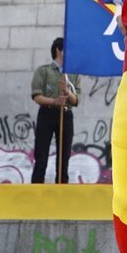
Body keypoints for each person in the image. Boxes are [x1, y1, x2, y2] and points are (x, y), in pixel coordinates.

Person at [31, 36, 80, 184]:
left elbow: (76, 100)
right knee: (41, 155)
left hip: (65, 115)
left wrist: (67, 92)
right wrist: (54, 101)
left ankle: (61, 189)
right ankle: (36, 190)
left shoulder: (72, 74)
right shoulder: (43, 71)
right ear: (59, 50)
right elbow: (36, 96)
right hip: (47, 113)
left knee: (64, 157)